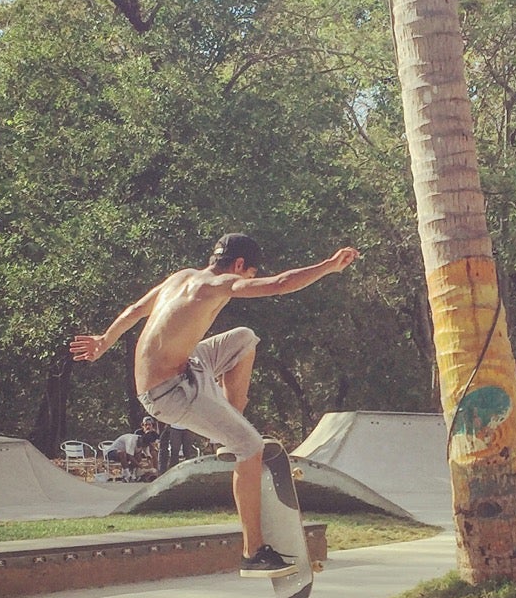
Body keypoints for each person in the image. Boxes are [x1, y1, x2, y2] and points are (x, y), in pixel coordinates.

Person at [71, 233, 359, 575]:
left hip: (189, 365)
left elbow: (134, 311)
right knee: (250, 447)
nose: (248, 282)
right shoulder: (221, 284)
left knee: (244, 338)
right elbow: (281, 284)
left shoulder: (179, 278)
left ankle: (228, 428)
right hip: (168, 393)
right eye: (249, 274)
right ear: (239, 265)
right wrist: (328, 266)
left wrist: (104, 340)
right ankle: (254, 553)